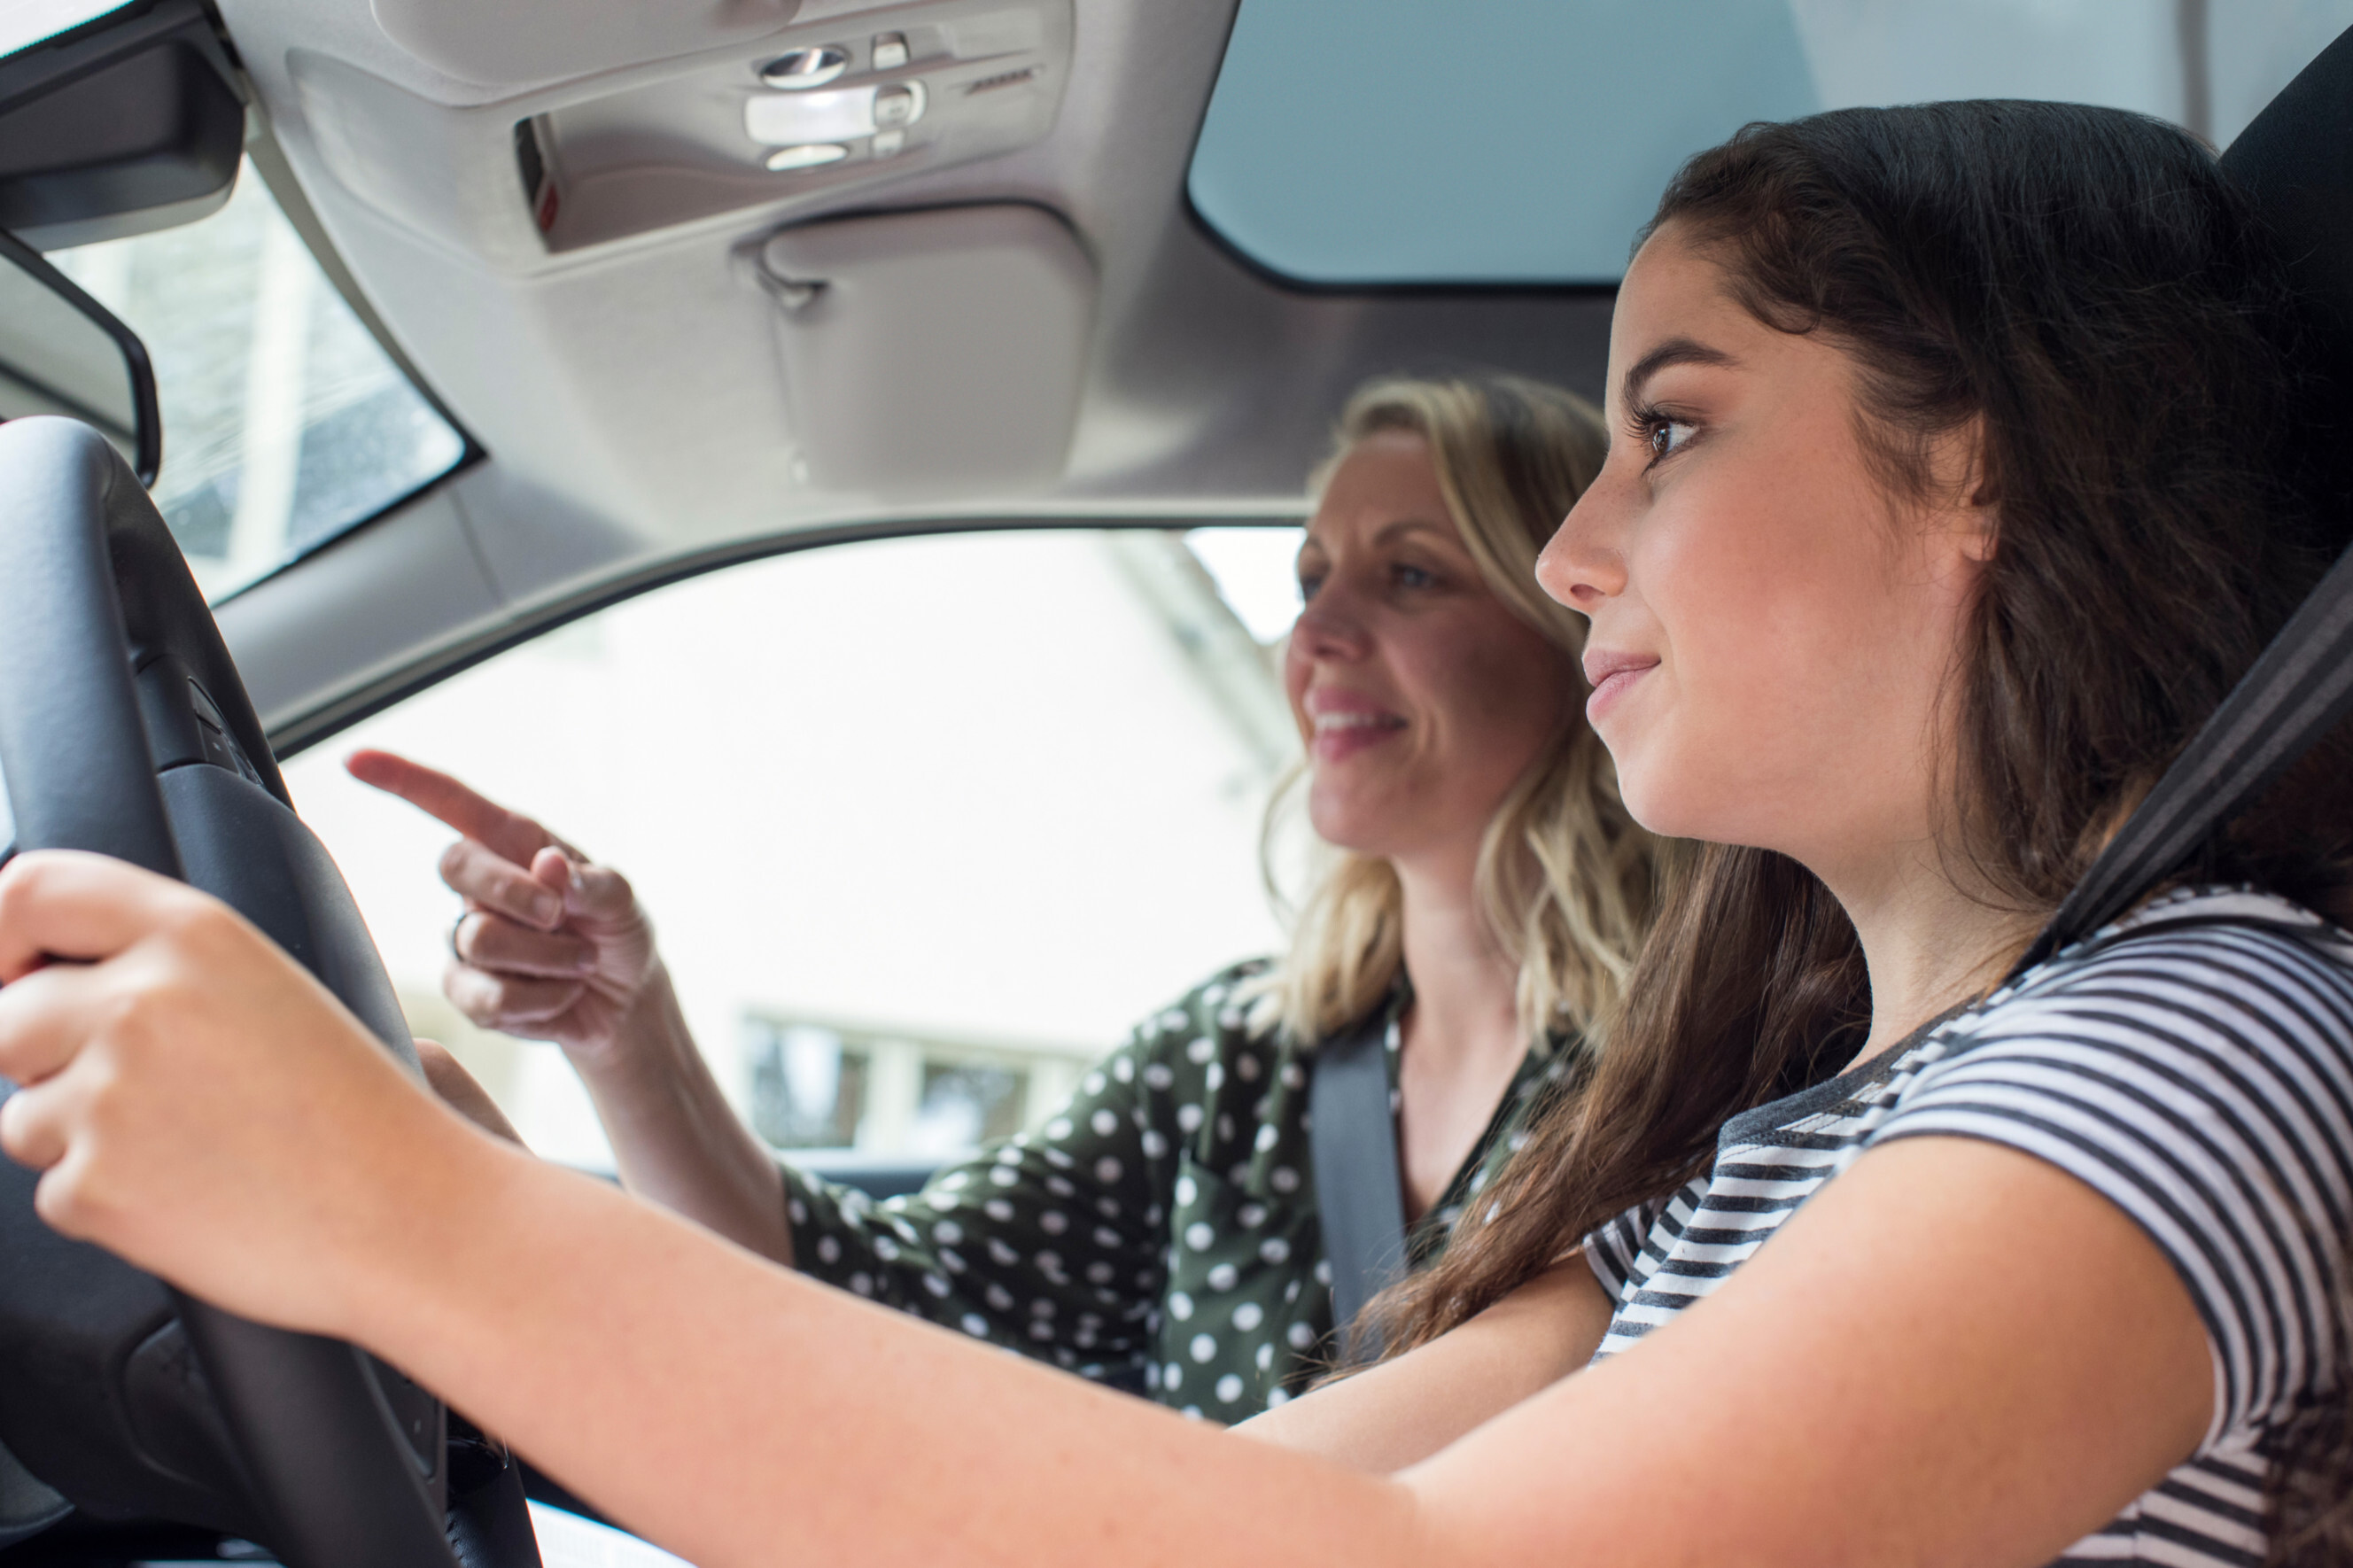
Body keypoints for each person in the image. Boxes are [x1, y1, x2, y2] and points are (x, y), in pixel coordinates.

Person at [5, 99, 2353, 1568]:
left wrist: (425, 1230)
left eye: (1674, 429)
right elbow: (1300, 1491)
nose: (1579, 550)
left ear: (1979, 475)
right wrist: (454, 1200)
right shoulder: (1778, 1145)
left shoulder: (2200, 1047)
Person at [338, 371, 1659, 1418]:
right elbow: (873, 1307)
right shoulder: (1237, 1061)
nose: (1312, 635)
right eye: (1310, 579)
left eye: (1410, 571)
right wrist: (628, 1036)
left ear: (1574, 629)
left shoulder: (1687, 1083)